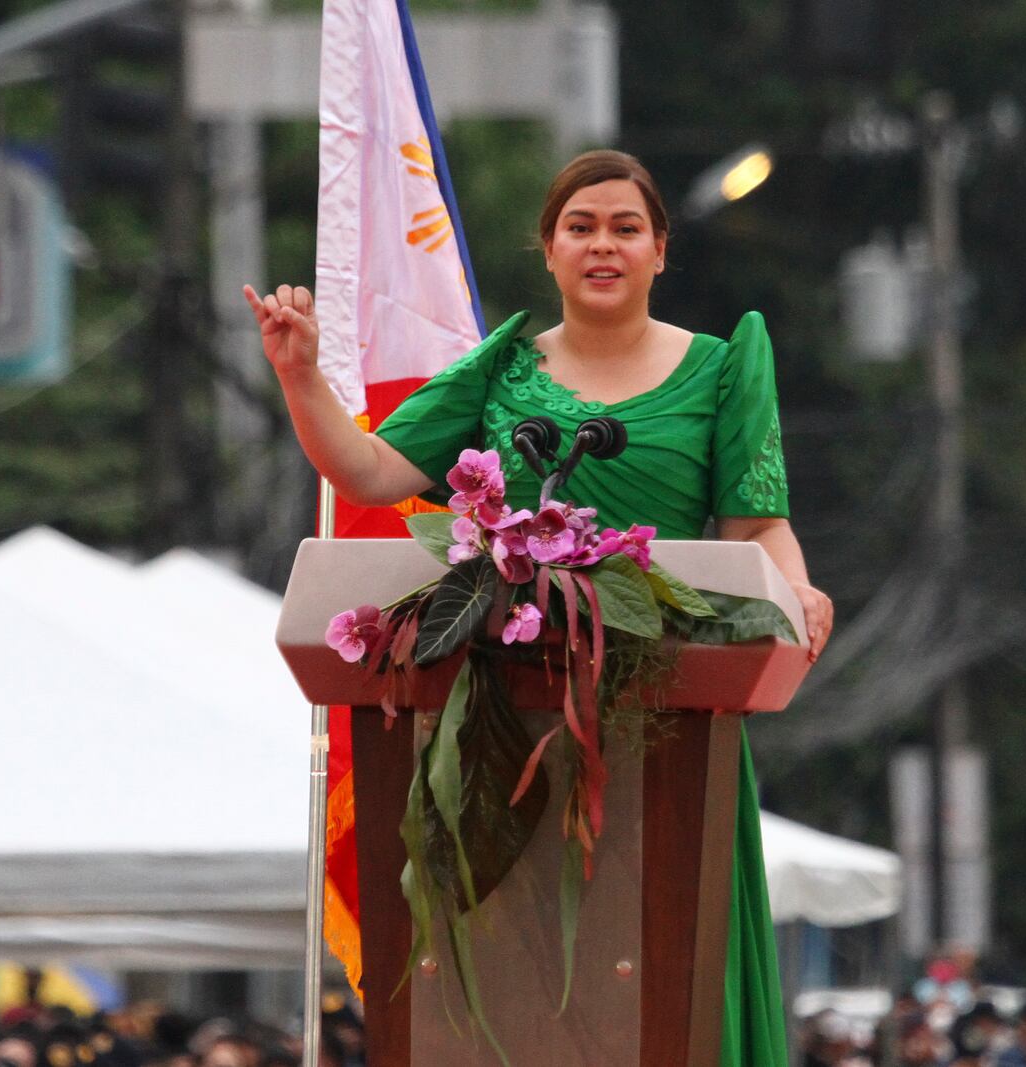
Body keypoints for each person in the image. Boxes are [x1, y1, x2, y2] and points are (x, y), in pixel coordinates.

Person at [246, 148, 833, 1066]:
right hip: (499, 726)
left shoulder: (723, 368)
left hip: (667, 729)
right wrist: (299, 375)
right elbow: (366, 470)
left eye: (626, 227)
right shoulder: (501, 368)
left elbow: (759, 529)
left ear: (660, 251)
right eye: (582, 227)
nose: (604, 245)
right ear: (550, 251)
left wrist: (794, 591)